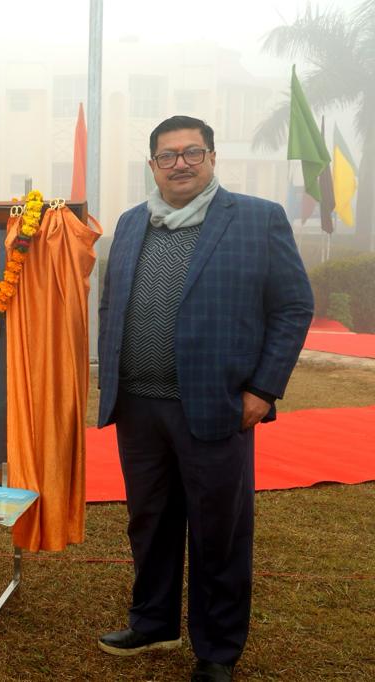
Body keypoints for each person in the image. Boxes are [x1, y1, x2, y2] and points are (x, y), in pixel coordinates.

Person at [96, 115, 313, 682]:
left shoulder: (257, 220)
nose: (180, 164)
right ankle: (152, 620)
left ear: (212, 157)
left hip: (216, 406)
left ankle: (217, 649)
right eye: (167, 156)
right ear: (153, 166)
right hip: (139, 407)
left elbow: (293, 307)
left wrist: (263, 390)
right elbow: (111, 304)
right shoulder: (130, 222)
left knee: (219, 528)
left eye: (192, 152)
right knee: (149, 520)